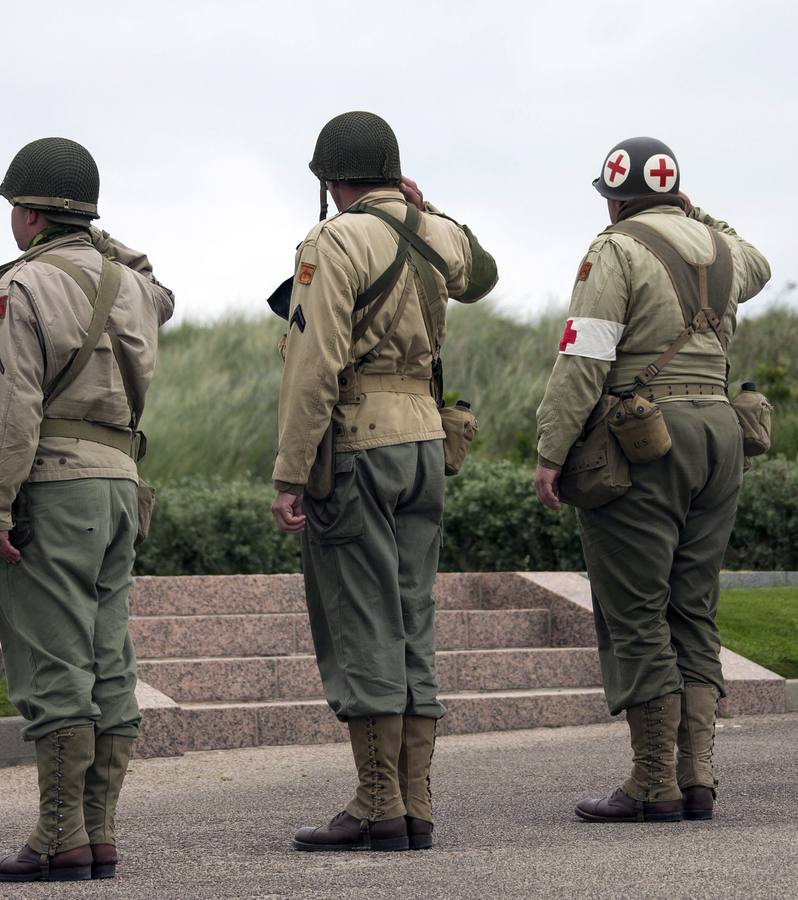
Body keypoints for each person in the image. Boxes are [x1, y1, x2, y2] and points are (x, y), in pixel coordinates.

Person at [272, 111, 497, 852]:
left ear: (330, 181)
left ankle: (377, 801)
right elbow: (485, 274)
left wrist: (292, 472)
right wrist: (425, 208)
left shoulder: (333, 239)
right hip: (426, 441)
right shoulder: (434, 234)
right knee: (410, 614)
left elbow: (313, 365)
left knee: (359, 618)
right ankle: (415, 801)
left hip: (357, 444)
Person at [533, 136, 771, 823]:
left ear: (613, 196)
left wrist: (551, 451)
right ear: (675, 194)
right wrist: (698, 215)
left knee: (635, 610)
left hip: (643, 439)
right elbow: (753, 255)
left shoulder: (613, 248)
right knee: (692, 608)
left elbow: (584, 355)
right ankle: (697, 777)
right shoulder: (722, 250)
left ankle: (650, 782)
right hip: (719, 433)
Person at [0, 137, 174, 881]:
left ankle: (59, 836)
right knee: (108, 660)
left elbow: (10, 407)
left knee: (55, 664)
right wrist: (100, 234)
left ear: (26, 213)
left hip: (52, 488)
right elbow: (162, 288)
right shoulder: (130, 286)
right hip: (121, 485)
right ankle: (98, 833)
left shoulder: (21, 287)